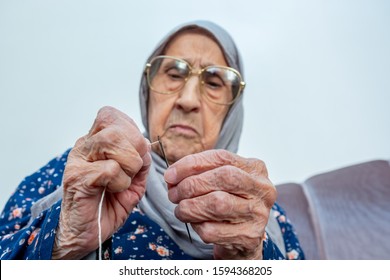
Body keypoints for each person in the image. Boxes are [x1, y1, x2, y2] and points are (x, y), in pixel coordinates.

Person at [0, 20, 304, 260]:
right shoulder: (83, 173)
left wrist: (250, 259)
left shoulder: (260, 212)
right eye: (174, 74)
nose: (187, 100)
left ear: (233, 110)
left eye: (213, 82)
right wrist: (66, 237)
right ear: (147, 90)